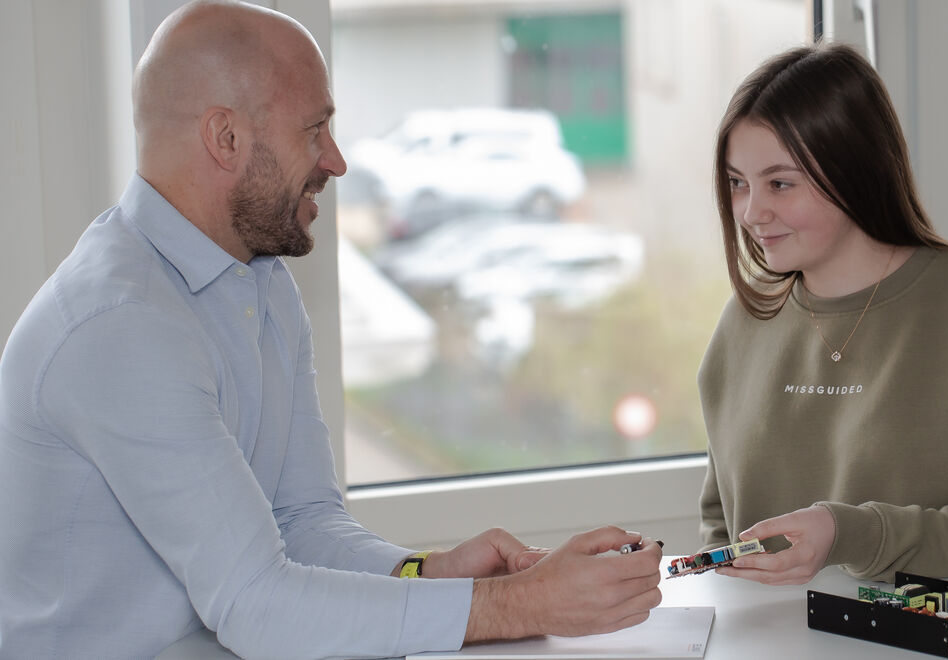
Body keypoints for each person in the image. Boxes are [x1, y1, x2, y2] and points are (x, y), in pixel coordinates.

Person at [0, 2, 661, 658]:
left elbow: (302, 522)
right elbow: (259, 606)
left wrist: (429, 573)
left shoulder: (259, 280)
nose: (338, 161)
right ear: (225, 139)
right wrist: (521, 604)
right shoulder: (120, 326)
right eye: (314, 130)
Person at [696, 42, 948, 592]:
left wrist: (849, 534)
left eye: (779, 183)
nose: (751, 212)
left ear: (854, 170)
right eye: (737, 183)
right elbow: (721, 528)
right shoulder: (743, 321)